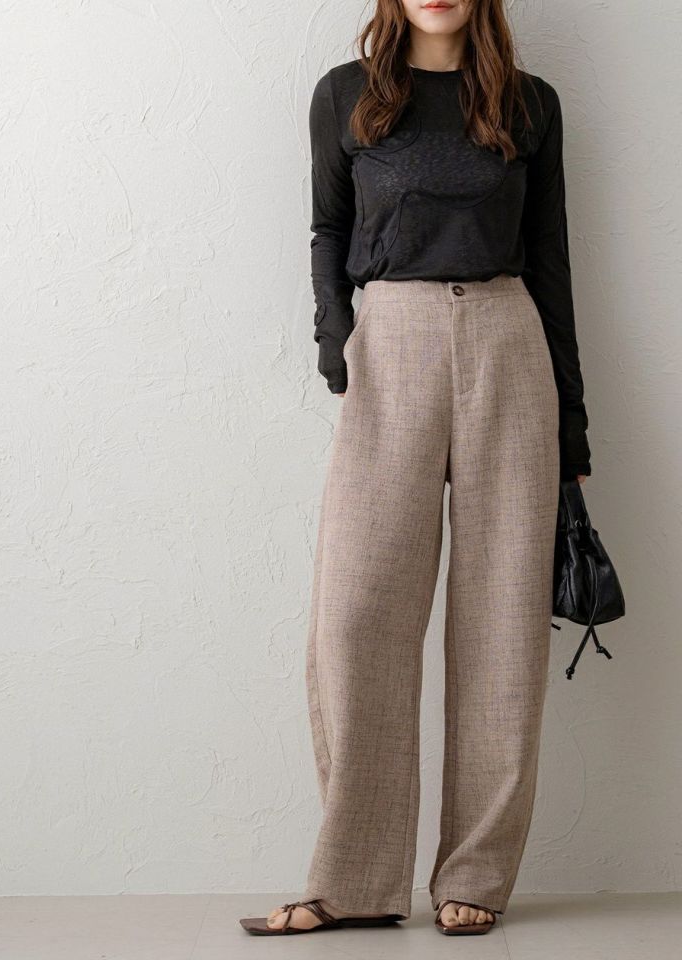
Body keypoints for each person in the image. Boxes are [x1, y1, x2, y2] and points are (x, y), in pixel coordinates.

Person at [240, 0, 591, 938]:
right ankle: (355, 881)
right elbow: (327, 228)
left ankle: (475, 872)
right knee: (357, 612)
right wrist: (335, 336)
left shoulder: (530, 104)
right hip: (390, 340)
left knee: (502, 621)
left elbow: (550, 258)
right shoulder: (347, 95)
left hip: (508, 340)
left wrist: (575, 435)